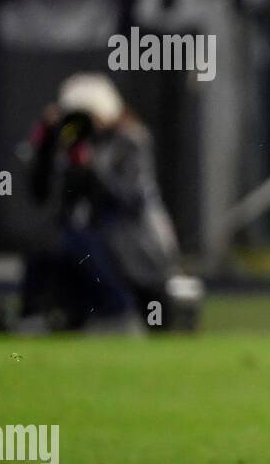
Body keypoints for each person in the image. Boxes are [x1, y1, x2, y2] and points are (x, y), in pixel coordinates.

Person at [23, 73, 182, 332]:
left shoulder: (131, 141)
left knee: (80, 240)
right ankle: (43, 315)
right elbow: (43, 197)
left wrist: (91, 166)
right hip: (92, 242)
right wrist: (45, 148)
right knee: (50, 243)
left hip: (135, 244)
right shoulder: (74, 146)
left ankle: (118, 312)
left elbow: (131, 199)